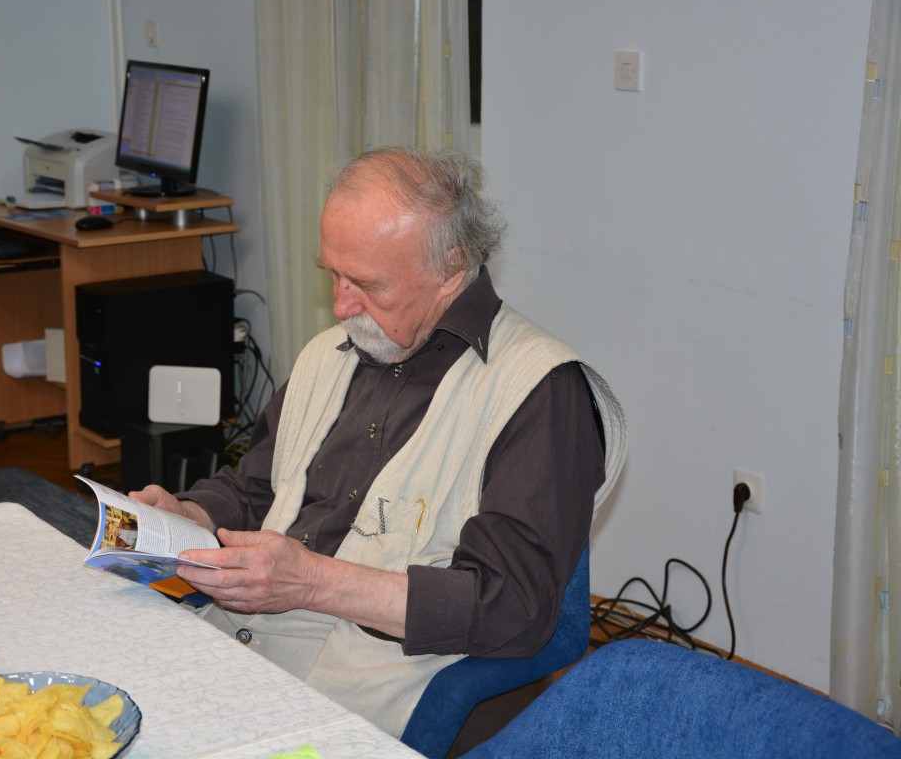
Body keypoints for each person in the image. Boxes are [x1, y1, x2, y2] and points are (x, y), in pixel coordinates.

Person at [130, 145, 627, 737]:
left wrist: (311, 581)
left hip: (368, 686)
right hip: (243, 644)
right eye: (333, 274)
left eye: (367, 284)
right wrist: (189, 515)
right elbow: (257, 489)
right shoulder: (330, 354)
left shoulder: (540, 393)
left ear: (451, 267)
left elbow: (510, 610)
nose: (341, 305)